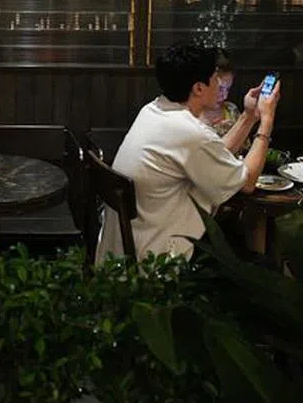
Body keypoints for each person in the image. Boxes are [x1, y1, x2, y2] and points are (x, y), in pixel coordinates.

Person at [95, 42, 281, 263]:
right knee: (258, 262)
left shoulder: (154, 110)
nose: (219, 84)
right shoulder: (191, 133)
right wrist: (267, 121)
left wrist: (249, 115)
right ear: (198, 88)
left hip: (122, 252)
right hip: (158, 259)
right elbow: (247, 182)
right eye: (215, 78)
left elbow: (214, 152)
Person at [199, 49, 239, 136]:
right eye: (219, 89)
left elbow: (247, 148)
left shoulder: (231, 110)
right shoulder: (187, 115)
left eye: (227, 89)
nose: (224, 96)